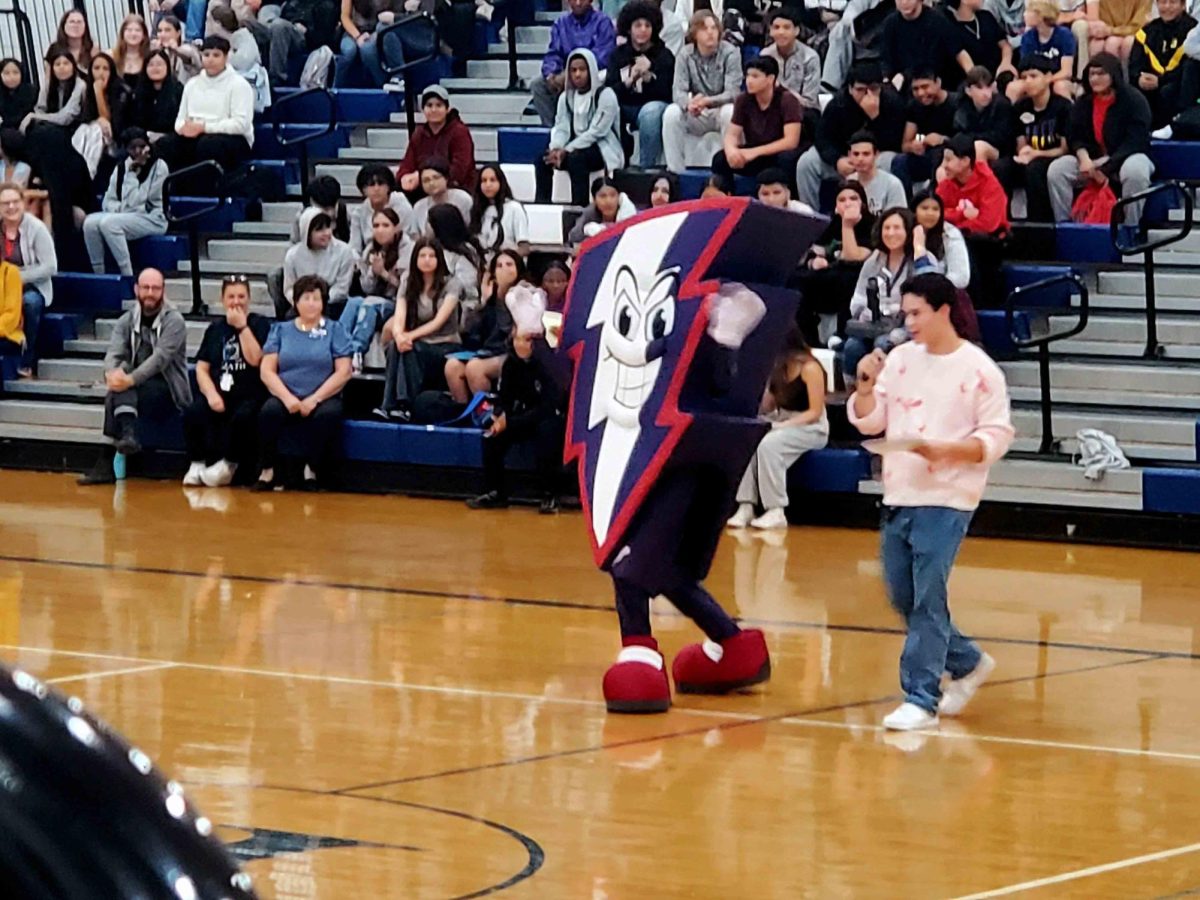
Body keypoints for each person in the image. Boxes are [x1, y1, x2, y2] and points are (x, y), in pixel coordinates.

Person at [847, 271, 1014, 731]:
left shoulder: (979, 370)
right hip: (901, 490)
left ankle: (920, 696)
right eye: (906, 313)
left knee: (927, 596)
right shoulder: (900, 360)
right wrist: (864, 387)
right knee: (902, 592)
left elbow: (996, 435)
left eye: (917, 312)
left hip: (948, 496)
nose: (910, 321)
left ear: (943, 310)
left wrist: (948, 450)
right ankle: (967, 661)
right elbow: (872, 419)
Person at [78, 268, 192, 485]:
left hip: (168, 389)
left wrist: (127, 380)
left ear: (163, 291)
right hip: (135, 390)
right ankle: (126, 438)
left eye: (155, 288)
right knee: (116, 390)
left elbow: (159, 360)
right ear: (136, 289)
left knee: (121, 390)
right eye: (146, 287)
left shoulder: (174, 321)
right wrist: (112, 374)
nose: (150, 293)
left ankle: (107, 460)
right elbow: (113, 353)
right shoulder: (126, 320)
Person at [467, 284, 567, 513]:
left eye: (527, 340)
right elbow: (504, 395)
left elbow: (549, 405)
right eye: (518, 339)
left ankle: (549, 494)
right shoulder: (510, 364)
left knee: (547, 432)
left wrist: (511, 422)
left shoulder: (548, 365)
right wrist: (500, 415)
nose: (521, 344)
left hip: (548, 416)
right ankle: (496, 491)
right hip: (521, 416)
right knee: (491, 435)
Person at [255, 275, 353, 491]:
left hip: (323, 395)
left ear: (323, 303)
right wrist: (288, 398)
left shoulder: (335, 330)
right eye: (306, 298)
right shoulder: (281, 330)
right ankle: (267, 470)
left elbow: (344, 372)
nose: (311, 303)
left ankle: (312, 469)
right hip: (286, 393)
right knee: (268, 412)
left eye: (316, 299)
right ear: (296, 302)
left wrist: (314, 399)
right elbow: (267, 370)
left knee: (328, 415)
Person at [727, 327, 829, 530]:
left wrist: (780, 426)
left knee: (769, 444)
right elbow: (770, 405)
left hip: (812, 426)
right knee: (751, 435)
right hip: (782, 418)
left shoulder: (810, 367)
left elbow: (815, 412)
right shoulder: (775, 367)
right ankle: (745, 505)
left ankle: (776, 509)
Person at [183, 275, 272, 486]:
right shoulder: (214, 329)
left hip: (250, 393)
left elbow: (256, 360)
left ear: (249, 299)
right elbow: (202, 368)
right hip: (220, 391)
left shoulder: (260, 324)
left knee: (243, 416)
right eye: (231, 296)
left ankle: (228, 465)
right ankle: (196, 463)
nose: (236, 301)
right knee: (193, 410)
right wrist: (211, 393)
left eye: (241, 296)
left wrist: (242, 328)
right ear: (223, 300)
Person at [1048, 52, 1154, 225]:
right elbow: (1075, 136)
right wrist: (1084, 159)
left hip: (1126, 156)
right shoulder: (1083, 103)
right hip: (1093, 159)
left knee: (1136, 171)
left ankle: (1130, 228)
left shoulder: (1134, 100)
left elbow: (1136, 141)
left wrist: (1106, 167)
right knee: (1058, 169)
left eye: (1101, 74)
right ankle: (1064, 226)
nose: (1095, 79)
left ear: (1114, 75)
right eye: (1091, 74)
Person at [841, 206, 943, 378]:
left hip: (907, 326)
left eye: (897, 228)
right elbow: (857, 300)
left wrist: (919, 248)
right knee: (852, 347)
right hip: (874, 324)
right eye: (886, 228)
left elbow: (932, 293)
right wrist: (865, 313)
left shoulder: (923, 258)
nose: (890, 233)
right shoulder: (874, 261)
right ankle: (853, 396)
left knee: (883, 343)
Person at [794, 62, 907, 211]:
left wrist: (875, 118)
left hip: (875, 159)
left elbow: (894, 143)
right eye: (861, 90)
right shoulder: (838, 104)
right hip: (843, 158)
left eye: (873, 89)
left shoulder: (893, 102)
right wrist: (837, 160)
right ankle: (811, 215)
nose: (868, 95)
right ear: (850, 88)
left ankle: (875, 211)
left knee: (889, 160)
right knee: (807, 162)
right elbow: (822, 137)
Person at [375, 238, 464, 420]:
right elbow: (400, 314)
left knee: (410, 348)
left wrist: (408, 336)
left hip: (445, 344)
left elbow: (437, 322)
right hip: (416, 342)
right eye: (422, 255)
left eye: (432, 256)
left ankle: (405, 405)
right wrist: (399, 335)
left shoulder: (452, 284)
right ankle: (390, 406)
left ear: (439, 259)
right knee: (395, 346)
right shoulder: (408, 280)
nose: (427, 260)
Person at [157, 36, 254, 175]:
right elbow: (179, 121)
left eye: (216, 55)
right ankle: (173, 189)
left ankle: (209, 190)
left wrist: (204, 127)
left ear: (226, 57)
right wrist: (184, 129)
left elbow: (240, 124)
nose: (210, 59)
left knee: (208, 145)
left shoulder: (239, 85)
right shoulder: (192, 84)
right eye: (206, 55)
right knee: (166, 144)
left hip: (233, 139)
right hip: (197, 136)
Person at [537, 50, 623, 207]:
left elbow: (597, 132)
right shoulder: (566, 97)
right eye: (573, 70)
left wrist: (568, 149)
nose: (577, 74)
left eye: (582, 70)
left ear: (591, 70)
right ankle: (542, 207)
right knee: (543, 159)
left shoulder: (605, 95)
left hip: (601, 147)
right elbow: (561, 126)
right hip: (572, 147)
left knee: (577, 159)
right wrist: (556, 148)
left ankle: (579, 208)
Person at [796, 180, 876, 346]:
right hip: (829, 280)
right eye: (842, 200)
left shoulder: (873, 225)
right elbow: (812, 251)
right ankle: (808, 340)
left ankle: (842, 337)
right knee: (796, 280)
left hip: (859, 281)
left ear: (863, 203)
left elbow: (853, 258)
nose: (848, 204)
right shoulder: (829, 224)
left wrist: (847, 225)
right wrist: (813, 261)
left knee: (848, 276)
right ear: (835, 206)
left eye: (853, 199)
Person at [991, 55, 1070, 222]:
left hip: (1053, 159)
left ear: (1048, 77)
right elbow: (1020, 142)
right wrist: (1024, 152)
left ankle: (1038, 224)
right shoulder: (1021, 107)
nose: (1028, 81)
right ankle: (1002, 221)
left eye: (1034, 76)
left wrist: (1036, 154)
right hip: (1029, 158)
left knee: (1034, 170)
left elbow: (1064, 149)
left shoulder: (1063, 107)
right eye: (1024, 77)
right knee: (1001, 167)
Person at [663, 11, 741, 174]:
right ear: (694, 33)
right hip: (696, 111)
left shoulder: (731, 52)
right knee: (671, 113)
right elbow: (678, 91)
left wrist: (708, 101)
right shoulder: (685, 54)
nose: (711, 32)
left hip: (720, 109)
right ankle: (675, 173)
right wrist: (689, 104)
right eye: (704, 29)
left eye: (714, 28)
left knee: (730, 111)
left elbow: (733, 93)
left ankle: (730, 171)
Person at [82, 129, 169, 277]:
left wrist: (132, 174)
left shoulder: (159, 167)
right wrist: (119, 208)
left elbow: (139, 203)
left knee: (109, 224)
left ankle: (127, 276)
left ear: (147, 145)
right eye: (132, 148)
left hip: (153, 218)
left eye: (140, 146)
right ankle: (100, 274)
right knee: (89, 223)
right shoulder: (121, 167)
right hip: (125, 215)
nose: (137, 151)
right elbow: (108, 200)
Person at [446, 248, 525, 402]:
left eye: (509, 265)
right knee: (452, 366)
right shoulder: (490, 297)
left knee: (475, 368)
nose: (504, 269)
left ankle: (488, 414)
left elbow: (506, 330)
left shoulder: (523, 294)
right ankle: (467, 415)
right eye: (499, 266)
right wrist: (483, 301)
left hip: (510, 353)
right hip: (488, 351)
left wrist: (503, 297)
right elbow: (471, 333)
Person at [712, 57, 804, 185]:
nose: (749, 81)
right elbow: (732, 134)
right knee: (720, 159)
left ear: (770, 79)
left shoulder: (787, 100)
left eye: (755, 76)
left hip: (778, 152)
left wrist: (754, 152)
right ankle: (727, 197)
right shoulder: (743, 100)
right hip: (756, 151)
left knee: (786, 159)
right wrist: (731, 151)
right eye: (748, 76)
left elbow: (790, 141)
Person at [607, 0, 675, 169]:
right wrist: (630, 79)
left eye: (647, 25)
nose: (643, 30)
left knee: (650, 112)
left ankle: (647, 169)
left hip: (653, 106)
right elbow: (609, 92)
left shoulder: (664, 55)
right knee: (609, 109)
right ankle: (617, 165)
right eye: (638, 25)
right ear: (629, 29)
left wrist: (648, 77)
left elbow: (667, 92)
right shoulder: (618, 55)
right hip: (625, 105)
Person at [340, 206, 409, 370]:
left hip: (400, 303)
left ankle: (357, 352)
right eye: (376, 226)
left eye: (386, 225)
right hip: (376, 299)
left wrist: (384, 273)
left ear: (396, 227)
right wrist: (372, 272)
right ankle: (338, 348)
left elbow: (407, 289)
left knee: (370, 303)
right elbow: (367, 288)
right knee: (354, 302)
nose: (380, 230)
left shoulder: (407, 248)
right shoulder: (370, 249)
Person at [0, 184, 56, 378]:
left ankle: (27, 360)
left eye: (15, 202)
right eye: (5, 203)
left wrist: (15, 279)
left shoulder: (36, 228)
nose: (11, 207)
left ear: (23, 203)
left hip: (33, 286)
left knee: (30, 303)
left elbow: (50, 267)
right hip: (2, 286)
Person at [530, 0, 617, 126]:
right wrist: (551, 74)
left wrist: (571, 72)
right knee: (538, 85)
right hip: (565, 76)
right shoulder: (560, 23)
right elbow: (553, 53)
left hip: (593, 75)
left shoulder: (603, 22)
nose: (578, 2)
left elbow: (603, 57)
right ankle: (554, 131)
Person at [395, 85, 477, 196]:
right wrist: (403, 177)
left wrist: (422, 178)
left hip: (455, 189)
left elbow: (459, 170)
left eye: (439, 105)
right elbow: (407, 163)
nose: (434, 110)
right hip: (423, 189)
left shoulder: (459, 132)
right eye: (429, 105)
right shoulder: (419, 134)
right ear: (423, 109)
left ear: (447, 109)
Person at [879, 0, 974, 92]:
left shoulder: (937, 20)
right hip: (902, 87)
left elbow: (958, 52)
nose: (904, 2)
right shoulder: (890, 24)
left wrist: (974, 78)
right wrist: (887, 79)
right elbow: (886, 60)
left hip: (935, 84)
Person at [892, 67, 959, 194]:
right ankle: (906, 204)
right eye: (916, 89)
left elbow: (967, 140)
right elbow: (905, 145)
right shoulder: (914, 106)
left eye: (925, 87)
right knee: (899, 161)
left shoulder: (956, 103)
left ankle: (934, 200)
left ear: (938, 83)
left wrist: (943, 139)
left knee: (939, 154)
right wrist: (914, 146)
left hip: (950, 158)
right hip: (925, 156)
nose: (921, 93)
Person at [1129, 0, 1196, 128]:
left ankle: (1175, 127)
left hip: (1179, 85)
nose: (1167, 7)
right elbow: (1134, 64)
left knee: (1168, 90)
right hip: (1151, 84)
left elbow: (1189, 67)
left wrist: (1161, 80)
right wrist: (1139, 78)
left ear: (1183, 5)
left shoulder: (1193, 31)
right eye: (1163, 2)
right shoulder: (1147, 32)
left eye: (1172, 2)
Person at [283, 208, 357, 315]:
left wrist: (319, 301)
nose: (326, 233)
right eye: (319, 230)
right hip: (302, 302)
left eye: (327, 227)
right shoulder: (293, 255)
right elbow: (289, 288)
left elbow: (342, 288)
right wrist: (302, 302)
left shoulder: (344, 251)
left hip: (332, 303)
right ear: (307, 232)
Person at [73, 53, 134, 180]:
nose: (101, 73)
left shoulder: (122, 90)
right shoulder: (87, 89)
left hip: (118, 142)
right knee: (83, 129)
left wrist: (98, 92)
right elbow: (85, 119)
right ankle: (74, 170)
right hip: (94, 140)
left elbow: (112, 124)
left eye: (105, 69)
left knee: (98, 128)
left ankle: (88, 174)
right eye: (96, 68)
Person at [936, 134, 1010, 237]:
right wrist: (962, 214)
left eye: (948, 160)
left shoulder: (990, 184)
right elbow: (936, 214)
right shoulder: (947, 183)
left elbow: (988, 224)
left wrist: (954, 227)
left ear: (965, 161)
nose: (944, 166)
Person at [761, 10, 821, 120]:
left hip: (803, 111)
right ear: (770, 31)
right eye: (776, 27)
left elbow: (810, 101)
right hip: (772, 109)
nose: (781, 32)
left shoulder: (810, 57)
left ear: (797, 30)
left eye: (786, 27)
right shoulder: (765, 55)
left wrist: (783, 90)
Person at [953, 66, 1017, 164]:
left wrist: (971, 139)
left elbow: (1001, 138)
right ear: (968, 91)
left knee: (979, 147)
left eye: (988, 87)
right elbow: (959, 132)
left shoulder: (1002, 105)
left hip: (1001, 152)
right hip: (970, 147)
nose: (985, 93)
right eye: (979, 88)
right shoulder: (963, 108)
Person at [1014, 1, 1077, 100]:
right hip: (1033, 78)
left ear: (1041, 15)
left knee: (1060, 87)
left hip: (1057, 78)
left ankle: (1070, 114)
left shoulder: (1064, 35)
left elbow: (1066, 72)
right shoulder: (1028, 37)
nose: (1024, 14)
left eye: (1029, 11)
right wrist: (1034, 81)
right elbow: (1024, 69)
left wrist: (1045, 81)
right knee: (1015, 87)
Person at [944, 0, 1013, 89]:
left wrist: (1005, 63)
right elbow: (964, 60)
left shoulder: (986, 16)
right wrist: (982, 84)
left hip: (999, 76)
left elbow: (1005, 45)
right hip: (975, 82)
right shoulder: (951, 27)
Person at [911, 191, 971, 290]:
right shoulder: (902, 232)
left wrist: (932, 287)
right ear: (914, 211)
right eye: (924, 208)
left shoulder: (950, 234)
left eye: (935, 209)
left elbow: (961, 277)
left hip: (943, 294)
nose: (930, 213)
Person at [349, 163, 413, 257]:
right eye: (371, 184)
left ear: (388, 186)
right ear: (363, 190)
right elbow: (354, 247)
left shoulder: (401, 205)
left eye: (381, 183)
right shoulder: (359, 212)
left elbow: (407, 238)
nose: (376, 189)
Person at [335, 0, 402, 88]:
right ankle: (335, 87)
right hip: (353, 31)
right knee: (349, 50)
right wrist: (357, 36)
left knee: (367, 49)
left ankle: (382, 84)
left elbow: (390, 15)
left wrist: (375, 34)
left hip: (378, 30)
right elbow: (345, 17)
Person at [427, 202, 484, 304]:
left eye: (429, 222)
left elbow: (468, 285)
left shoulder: (462, 254)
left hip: (462, 305)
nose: (426, 227)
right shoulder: (434, 249)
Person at [470, 164, 530, 256]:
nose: (488, 185)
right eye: (484, 181)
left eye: (492, 180)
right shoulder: (477, 210)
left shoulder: (514, 208)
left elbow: (524, 248)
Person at [21, 51, 85, 136]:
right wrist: (37, 118)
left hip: (74, 128)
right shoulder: (49, 84)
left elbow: (65, 118)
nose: (62, 67)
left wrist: (34, 116)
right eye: (57, 64)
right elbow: (40, 109)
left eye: (66, 63)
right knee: (36, 131)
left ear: (73, 66)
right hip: (51, 126)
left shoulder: (80, 85)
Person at [406, 159, 474, 237]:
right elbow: (416, 236)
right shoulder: (419, 206)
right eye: (426, 180)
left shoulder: (463, 199)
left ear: (446, 178)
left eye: (436, 178)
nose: (431, 183)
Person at [1077, 0, 1151, 70]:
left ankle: (1125, 79)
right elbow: (1103, 24)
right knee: (1096, 44)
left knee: (1125, 42)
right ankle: (1098, 79)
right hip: (1110, 33)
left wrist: (1112, 31)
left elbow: (1139, 26)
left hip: (1134, 33)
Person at [846, 130, 907, 213]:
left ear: (876, 155)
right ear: (849, 155)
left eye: (866, 154)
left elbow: (899, 218)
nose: (860, 159)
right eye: (856, 154)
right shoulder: (848, 182)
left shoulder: (892, 184)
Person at [567, 175, 638, 245]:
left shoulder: (629, 214)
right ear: (594, 199)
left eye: (613, 195)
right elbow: (574, 237)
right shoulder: (589, 213)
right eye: (602, 196)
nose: (608, 201)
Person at [134, 49, 184, 142]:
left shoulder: (178, 90)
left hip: (171, 139)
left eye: (159, 64)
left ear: (167, 67)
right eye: (151, 65)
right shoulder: (139, 91)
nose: (155, 68)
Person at [152, 16, 201, 83]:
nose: (162, 34)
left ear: (178, 33)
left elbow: (189, 55)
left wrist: (176, 50)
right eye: (160, 31)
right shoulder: (161, 51)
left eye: (167, 30)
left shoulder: (187, 48)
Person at [112, 14, 150, 89]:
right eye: (129, 30)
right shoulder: (112, 56)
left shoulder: (150, 57)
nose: (133, 34)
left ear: (144, 35)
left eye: (138, 30)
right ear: (123, 34)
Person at [0, 60, 35, 130]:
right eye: (6, 73)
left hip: (27, 126)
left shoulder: (31, 91)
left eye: (16, 73)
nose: (11, 77)